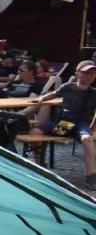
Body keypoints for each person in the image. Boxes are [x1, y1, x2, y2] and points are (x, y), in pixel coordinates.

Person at [37, 60, 96, 189]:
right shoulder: (68, 87)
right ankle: (38, 165)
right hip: (64, 124)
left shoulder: (94, 93)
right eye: (86, 73)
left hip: (81, 124)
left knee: (87, 139)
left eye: (93, 73)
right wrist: (41, 99)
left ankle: (91, 176)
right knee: (35, 131)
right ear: (78, 73)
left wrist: (93, 129)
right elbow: (54, 94)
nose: (90, 75)